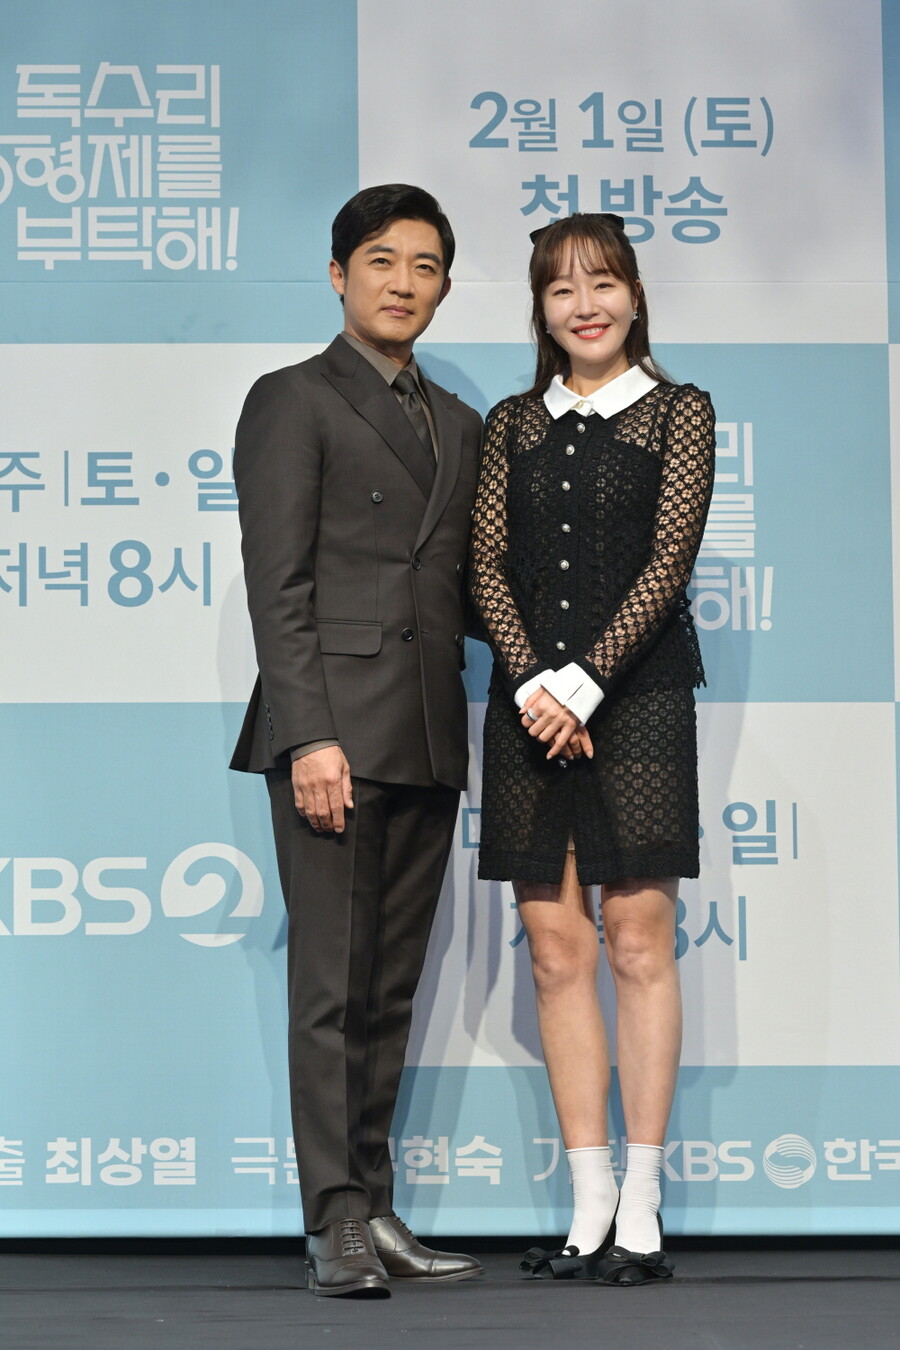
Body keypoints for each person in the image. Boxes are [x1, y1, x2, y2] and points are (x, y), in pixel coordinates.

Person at [230, 184, 484, 1297]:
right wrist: (310, 738)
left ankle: (374, 1209)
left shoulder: (462, 424)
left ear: (444, 286)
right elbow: (278, 587)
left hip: (428, 733)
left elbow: (467, 589)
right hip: (332, 735)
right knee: (331, 991)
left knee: (388, 993)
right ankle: (331, 1216)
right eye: (381, 260)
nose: (402, 283)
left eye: (425, 265)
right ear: (339, 275)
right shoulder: (292, 399)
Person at [470, 213, 715, 1286]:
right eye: (562, 288)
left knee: (636, 943)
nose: (585, 305)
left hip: (639, 699)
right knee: (555, 952)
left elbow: (670, 558)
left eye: (604, 282)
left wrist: (583, 683)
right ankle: (588, 1205)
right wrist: (535, 681)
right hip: (527, 711)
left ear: (635, 295)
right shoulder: (511, 423)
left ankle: (644, 1207)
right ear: (540, 308)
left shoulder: (679, 411)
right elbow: (484, 563)